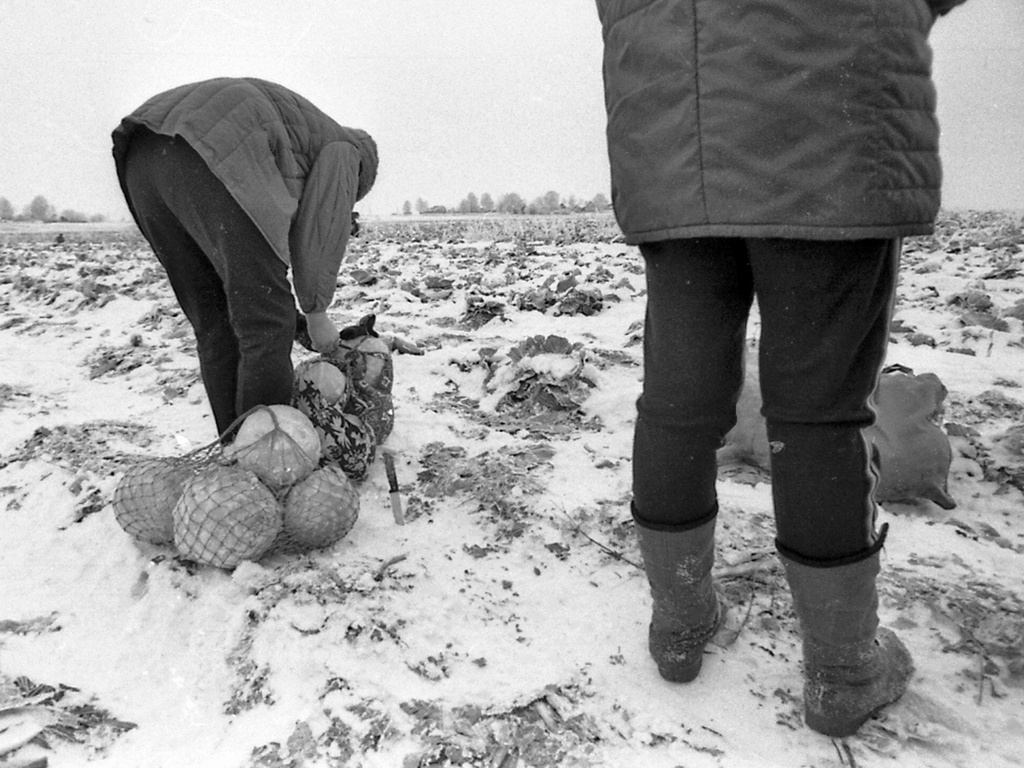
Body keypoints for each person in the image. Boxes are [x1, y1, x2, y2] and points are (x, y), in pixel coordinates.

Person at [594, 0, 967, 737]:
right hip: (827, 116)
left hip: (672, 136)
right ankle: (844, 671)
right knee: (820, 411)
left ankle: (680, 623)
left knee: (677, 401)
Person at [111, 77, 378, 438]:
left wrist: (291, 317)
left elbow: (252, 266)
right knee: (266, 325)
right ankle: (266, 463)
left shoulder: (299, 145)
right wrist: (316, 316)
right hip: (211, 151)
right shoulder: (347, 151)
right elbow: (320, 228)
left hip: (144, 156)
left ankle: (234, 448)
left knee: (217, 323)